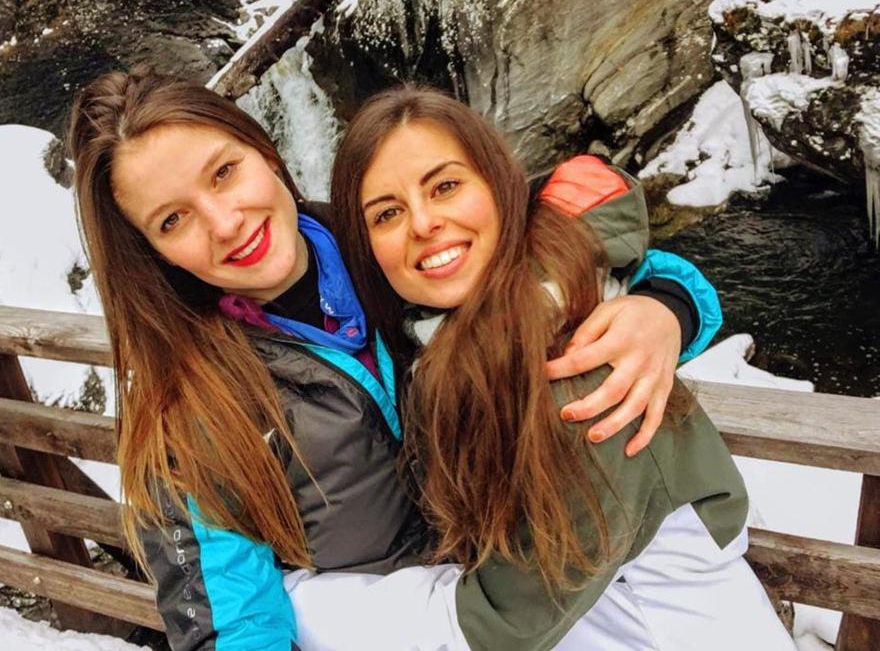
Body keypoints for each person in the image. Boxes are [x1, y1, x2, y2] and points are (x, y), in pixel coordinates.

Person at [68, 71, 723, 651]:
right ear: (153, 252)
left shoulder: (393, 241)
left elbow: (558, 249)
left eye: (223, 172)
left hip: (540, 586)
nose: (225, 222)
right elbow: (233, 621)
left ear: (266, 152)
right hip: (399, 625)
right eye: (173, 220)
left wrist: (666, 309)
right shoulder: (188, 411)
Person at [325, 85, 795, 651]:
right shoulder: (439, 337)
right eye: (387, 213)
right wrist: (671, 301)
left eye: (445, 186)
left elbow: (500, 624)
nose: (423, 223)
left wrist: (301, 598)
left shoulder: (583, 375)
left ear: (501, 188)